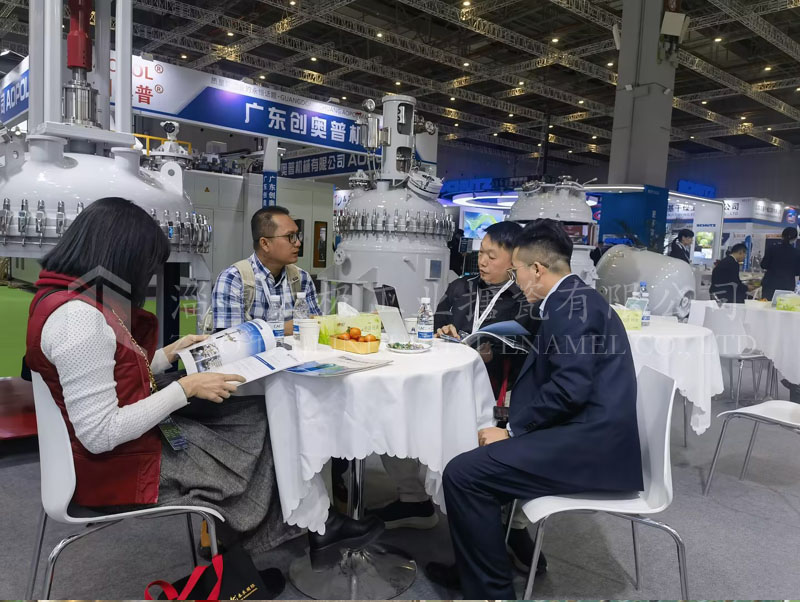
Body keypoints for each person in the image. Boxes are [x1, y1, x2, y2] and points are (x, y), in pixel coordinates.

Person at [24, 198, 380, 586]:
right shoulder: (80, 319)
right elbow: (100, 433)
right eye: (146, 265)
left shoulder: (69, 301)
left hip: (123, 450)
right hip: (119, 467)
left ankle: (282, 537)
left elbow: (107, 375)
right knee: (267, 429)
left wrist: (166, 356)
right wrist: (186, 386)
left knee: (260, 417)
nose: (148, 275)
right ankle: (285, 538)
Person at [428, 218, 642, 599]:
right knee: (473, 461)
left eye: (517, 272)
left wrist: (512, 431)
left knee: (462, 474)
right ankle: (476, 569)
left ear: (537, 269)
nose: (516, 281)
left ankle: (492, 591)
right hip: (586, 430)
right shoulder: (573, 299)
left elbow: (570, 389)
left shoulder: (571, 309)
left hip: (590, 446)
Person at [370, 221, 543, 575]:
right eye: (481, 253)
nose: (482, 261)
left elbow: (531, 351)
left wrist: (496, 352)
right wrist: (443, 331)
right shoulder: (460, 287)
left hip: (500, 394)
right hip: (449, 387)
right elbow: (438, 325)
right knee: (391, 413)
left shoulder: (525, 299)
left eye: (492, 255)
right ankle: (413, 500)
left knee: (508, 446)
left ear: (515, 259)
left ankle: (514, 526)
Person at [212, 206, 321, 333]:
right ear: (265, 243)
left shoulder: (301, 278)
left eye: (297, 235)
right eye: (290, 236)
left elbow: (317, 325)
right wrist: (285, 329)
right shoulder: (234, 280)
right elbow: (231, 339)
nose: (298, 243)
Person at [761, 227, 800, 301]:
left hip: (770, 283)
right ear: (795, 239)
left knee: (767, 305)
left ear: (782, 236)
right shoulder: (797, 253)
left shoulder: (772, 248)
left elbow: (763, 265)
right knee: (783, 306)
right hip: (787, 285)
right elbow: (797, 272)